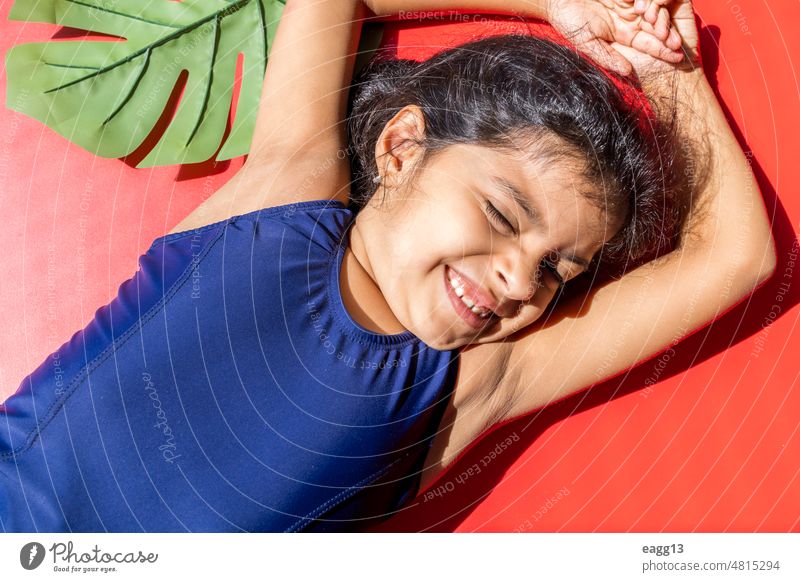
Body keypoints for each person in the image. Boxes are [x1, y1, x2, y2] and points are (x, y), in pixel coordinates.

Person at [0, 0, 775, 532]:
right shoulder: (282, 199)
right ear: (401, 147)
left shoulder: (466, 382)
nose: (518, 279)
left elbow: (736, 257)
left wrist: (667, 65)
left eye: (557, 272)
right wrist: (552, 5)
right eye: (503, 216)